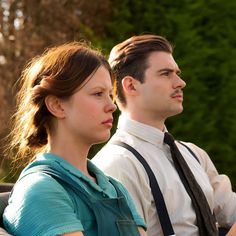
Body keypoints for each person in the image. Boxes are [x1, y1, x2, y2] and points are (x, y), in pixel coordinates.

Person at [92, 34, 236, 236]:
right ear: (131, 85)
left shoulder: (194, 155)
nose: (181, 82)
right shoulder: (117, 165)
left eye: (177, 73)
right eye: (166, 74)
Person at [2, 42, 147, 236]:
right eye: (97, 94)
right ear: (57, 105)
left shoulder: (115, 188)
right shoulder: (41, 189)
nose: (112, 106)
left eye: (110, 95)